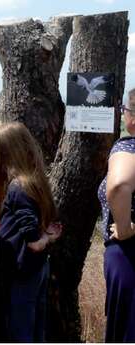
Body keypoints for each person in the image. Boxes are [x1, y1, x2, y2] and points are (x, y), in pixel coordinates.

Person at [0, 122, 61, 342]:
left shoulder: (18, 187)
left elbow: (34, 242)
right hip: (35, 268)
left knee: (21, 329)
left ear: (10, 155)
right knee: (36, 327)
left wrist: (45, 237)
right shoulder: (35, 182)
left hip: (23, 270)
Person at [98, 88, 135, 342]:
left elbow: (119, 185)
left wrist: (124, 228)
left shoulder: (128, 146)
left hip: (129, 255)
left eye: (125, 111)